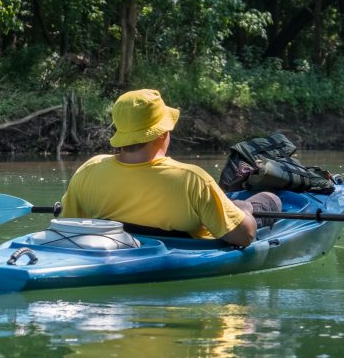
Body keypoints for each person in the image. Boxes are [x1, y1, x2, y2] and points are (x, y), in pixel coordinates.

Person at [60, 89, 281, 247]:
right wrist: (244, 210)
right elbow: (244, 236)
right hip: (185, 256)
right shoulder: (192, 179)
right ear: (163, 133)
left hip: (115, 252)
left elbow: (66, 228)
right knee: (271, 199)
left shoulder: (89, 169)